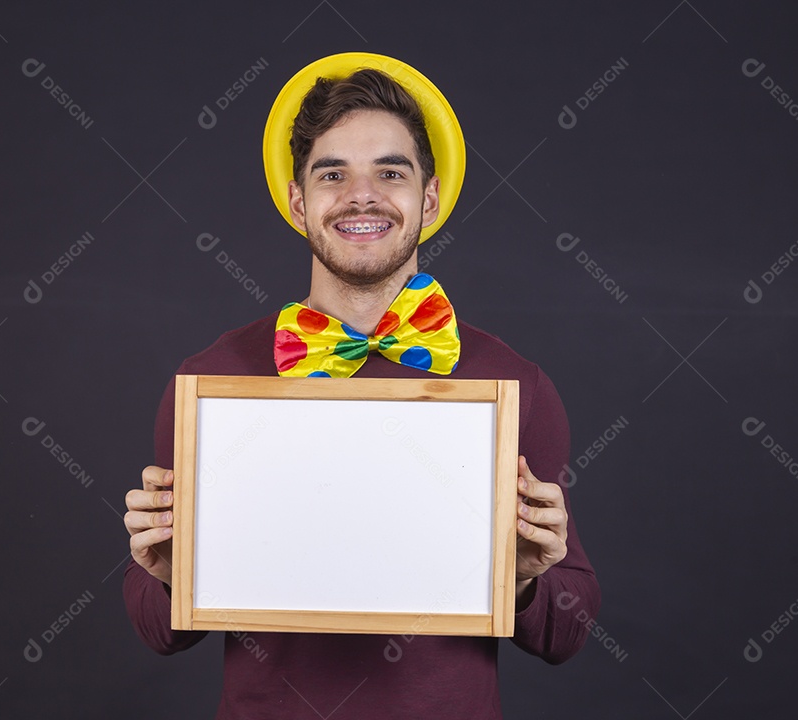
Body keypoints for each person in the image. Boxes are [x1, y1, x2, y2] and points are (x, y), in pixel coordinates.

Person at [123, 52, 600, 719]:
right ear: (298, 199)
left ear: (427, 198)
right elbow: (157, 629)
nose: (361, 195)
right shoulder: (211, 382)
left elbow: (567, 634)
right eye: (333, 174)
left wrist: (522, 580)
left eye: (390, 172)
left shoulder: (512, 384)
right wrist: (171, 575)